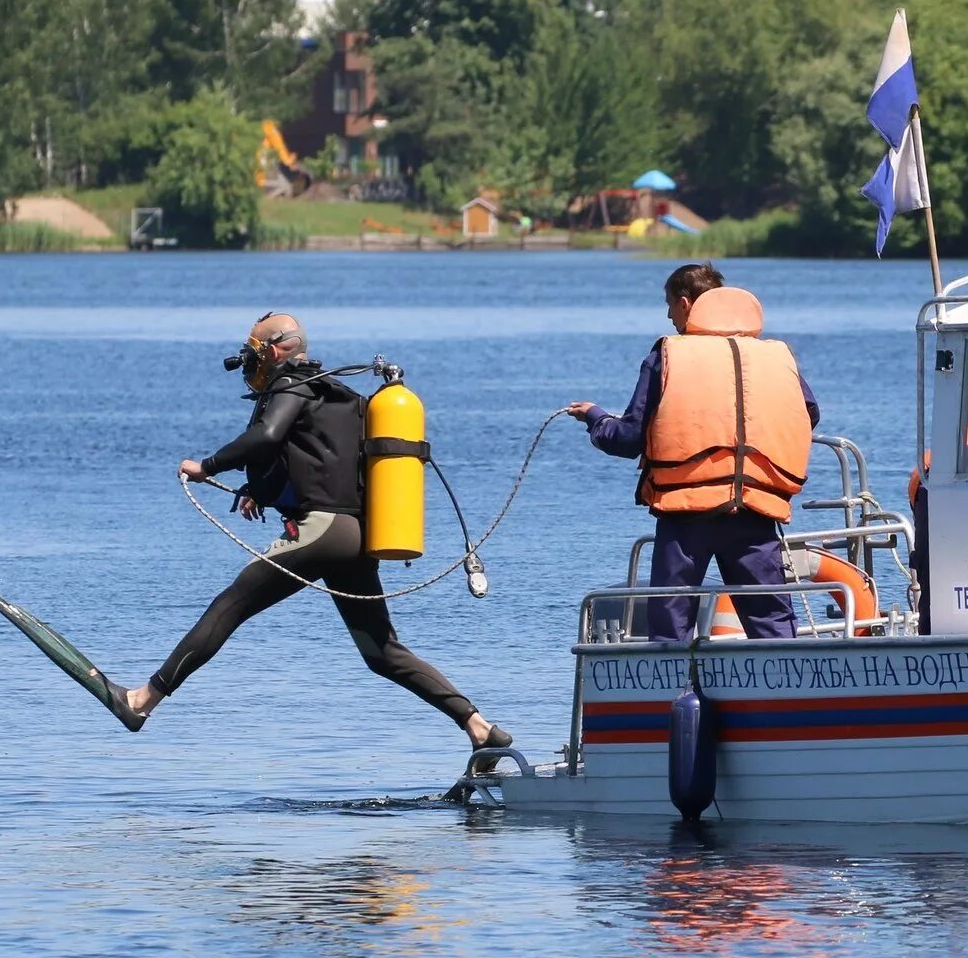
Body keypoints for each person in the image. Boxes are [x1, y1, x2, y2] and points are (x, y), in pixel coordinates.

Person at [100, 313, 511, 764]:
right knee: (383, 652)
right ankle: (477, 725)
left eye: (254, 354)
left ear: (275, 350)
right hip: (356, 536)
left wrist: (208, 465)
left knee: (230, 605)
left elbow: (267, 435)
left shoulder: (290, 385)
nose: (250, 365)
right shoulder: (340, 396)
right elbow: (319, 460)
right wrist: (260, 489)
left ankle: (141, 702)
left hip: (322, 531)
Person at [568, 265, 819, 641]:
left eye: (670, 305)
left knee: (671, 627)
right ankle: (786, 693)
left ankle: (669, 694)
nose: (669, 316)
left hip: (686, 517)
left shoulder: (667, 356)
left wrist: (596, 419)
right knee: (772, 624)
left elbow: (628, 438)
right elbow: (809, 414)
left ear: (685, 303)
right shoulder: (776, 356)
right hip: (755, 507)